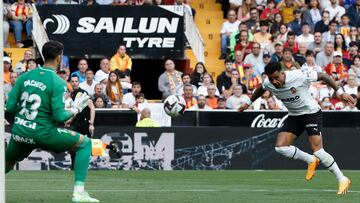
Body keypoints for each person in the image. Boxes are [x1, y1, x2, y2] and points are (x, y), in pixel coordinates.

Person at [238, 61, 354, 195]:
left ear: (282, 72)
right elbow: (261, 88)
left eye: (276, 77)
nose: (274, 81)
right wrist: (248, 103)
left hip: (311, 113)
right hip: (295, 116)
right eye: (271, 79)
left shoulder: (298, 75)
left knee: (318, 151)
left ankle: (342, 178)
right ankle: (310, 160)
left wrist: (340, 92)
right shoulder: (268, 82)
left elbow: (323, 76)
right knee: (280, 147)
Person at [5, 40, 99, 202]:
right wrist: (76, 108)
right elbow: (60, 117)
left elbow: (10, 107)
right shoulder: (59, 83)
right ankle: (79, 193)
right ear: (58, 58)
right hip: (43, 133)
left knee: (6, 164)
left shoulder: (23, 77)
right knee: (85, 144)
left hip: (20, 132)